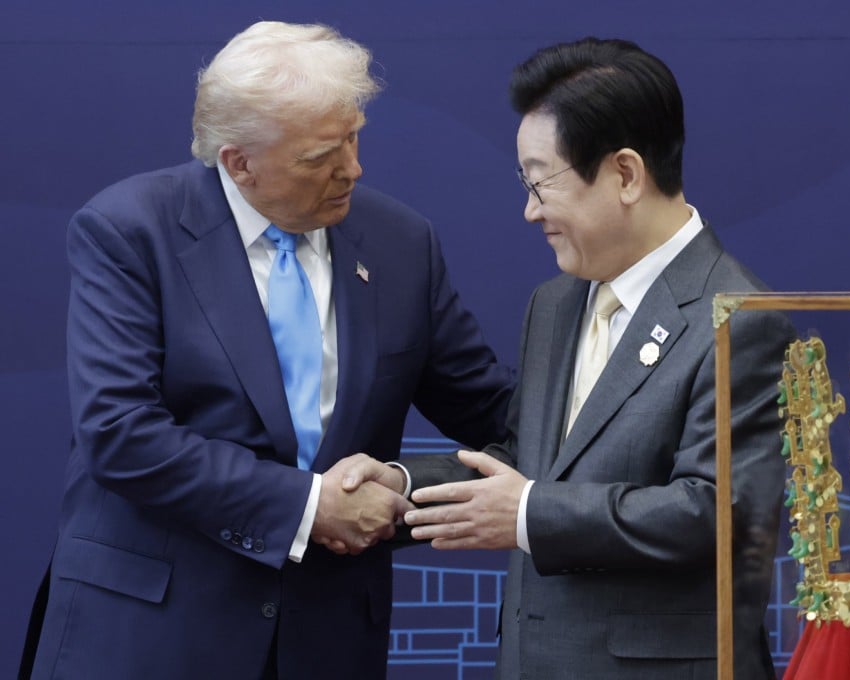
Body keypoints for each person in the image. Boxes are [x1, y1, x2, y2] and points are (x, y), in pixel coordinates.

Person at [20, 21, 514, 680]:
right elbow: (120, 432)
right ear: (238, 162)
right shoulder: (130, 230)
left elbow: (493, 411)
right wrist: (309, 507)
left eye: (354, 137)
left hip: (327, 638)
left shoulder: (401, 242)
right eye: (320, 156)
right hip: (152, 636)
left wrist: (627, 407)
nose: (353, 169)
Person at [346, 37, 796, 679]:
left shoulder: (739, 318)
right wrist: (403, 486)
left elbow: (717, 513)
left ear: (625, 175)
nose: (531, 211)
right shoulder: (556, 303)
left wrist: (529, 514)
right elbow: (527, 463)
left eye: (542, 183)